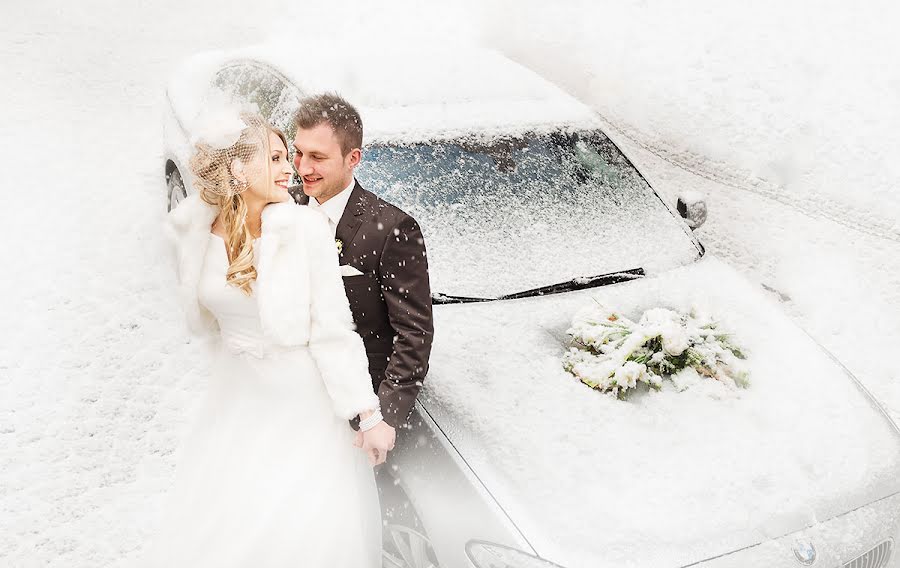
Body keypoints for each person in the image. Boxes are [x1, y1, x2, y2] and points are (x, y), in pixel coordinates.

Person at [144, 112, 383, 567]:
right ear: (238, 168)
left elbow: (332, 329)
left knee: (294, 528)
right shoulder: (193, 232)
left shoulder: (305, 230)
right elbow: (210, 322)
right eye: (275, 157)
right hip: (234, 399)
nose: (289, 168)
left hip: (300, 406)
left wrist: (367, 413)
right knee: (227, 523)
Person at [289, 94, 434, 454]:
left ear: (353, 158)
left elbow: (413, 332)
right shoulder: (282, 209)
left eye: (318, 157)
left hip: (357, 406)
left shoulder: (391, 229)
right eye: (298, 152)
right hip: (290, 398)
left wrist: (382, 418)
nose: (302, 167)